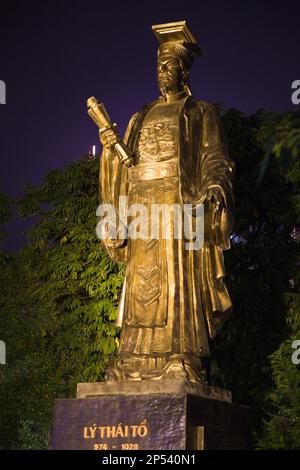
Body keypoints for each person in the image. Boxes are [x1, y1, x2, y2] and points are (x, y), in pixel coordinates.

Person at [98, 21, 235, 383]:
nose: (163, 73)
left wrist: (215, 187)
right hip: (142, 209)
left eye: (170, 66)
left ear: (184, 70)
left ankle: (182, 354)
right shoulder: (139, 116)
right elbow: (124, 167)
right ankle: (132, 359)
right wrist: (111, 151)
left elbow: (215, 158)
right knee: (142, 281)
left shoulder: (200, 112)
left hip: (181, 208)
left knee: (178, 282)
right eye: (158, 66)